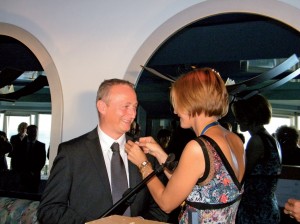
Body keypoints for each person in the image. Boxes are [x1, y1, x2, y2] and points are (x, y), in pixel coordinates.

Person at [37, 79, 168, 224]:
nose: (132, 114)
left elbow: (161, 208)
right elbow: (49, 210)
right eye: (126, 106)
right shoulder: (72, 153)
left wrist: (139, 222)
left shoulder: (146, 152)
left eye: (135, 107)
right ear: (102, 107)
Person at [125, 68, 245, 223]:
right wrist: (160, 154)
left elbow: (166, 203)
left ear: (191, 102)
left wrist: (144, 164)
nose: (175, 111)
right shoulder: (235, 140)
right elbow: (197, 189)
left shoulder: (199, 148)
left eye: (177, 104)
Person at [231, 94, 282, 224]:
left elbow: (241, 175)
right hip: (269, 207)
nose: (237, 120)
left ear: (250, 116)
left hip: (254, 211)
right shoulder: (272, 140)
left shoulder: (256, 141)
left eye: (240, 116)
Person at [9, 125, 46, 193]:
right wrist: (20, 172)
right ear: (27, 132)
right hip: (21, 176)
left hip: (34, 177)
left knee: (33, 196)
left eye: (35, 131)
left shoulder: (41, 145)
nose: (34, 133)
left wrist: (33, 172)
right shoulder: (19, 144)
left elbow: (42, 161)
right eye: (32, 131)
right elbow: (16, 159)